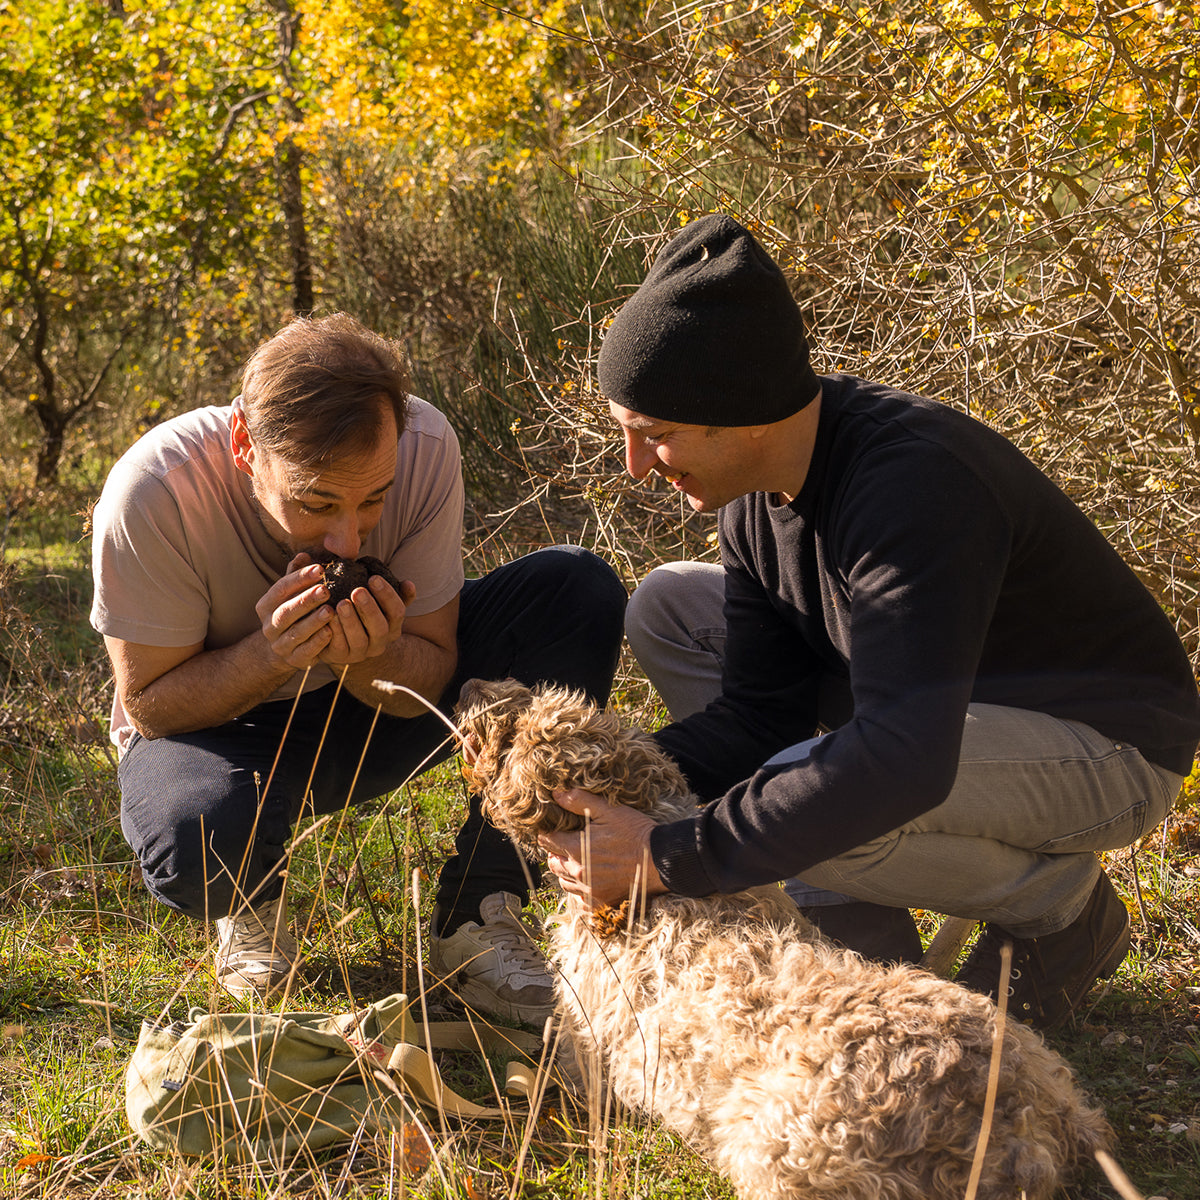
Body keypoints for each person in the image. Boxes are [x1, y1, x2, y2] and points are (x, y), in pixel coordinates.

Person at [540, 214, 1200, 1032]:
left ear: (742, 412)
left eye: (656, 436)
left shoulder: (911, 488)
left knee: (815, 807)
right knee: (668, 605)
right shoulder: (755, 500)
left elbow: (900, 761)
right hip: (935, 724)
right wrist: (599, 794)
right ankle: (861, 926)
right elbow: (761, 713)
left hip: (1107, 749)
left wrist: (669, 851)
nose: (637, 467)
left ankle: (1063, 908)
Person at [90, 313, 626, 1019]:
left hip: (370, 707)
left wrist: (366, 655)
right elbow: (151, 707)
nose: (347, 537)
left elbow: (429, 678)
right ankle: (252, 896)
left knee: (574, 590)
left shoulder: (426, 444)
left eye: (373, 498)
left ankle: (481, 907)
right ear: (246, 445)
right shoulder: (154, 491)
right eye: (316, 503)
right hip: (218, 729)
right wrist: (271, 653)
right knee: (197, 845)